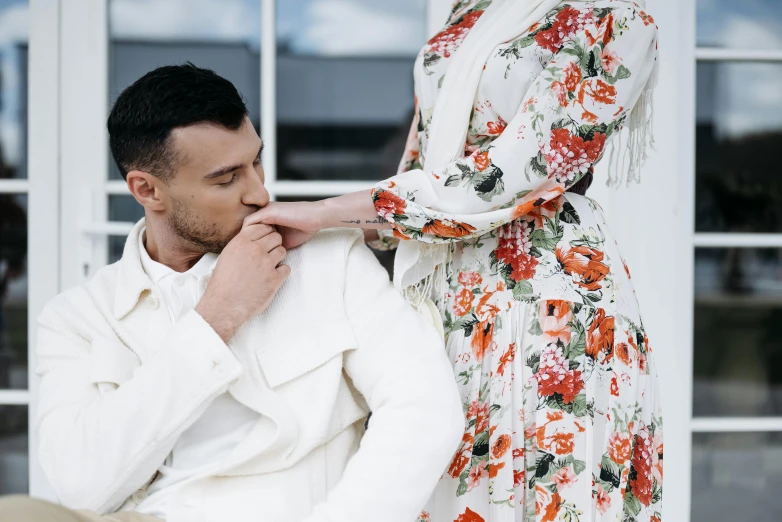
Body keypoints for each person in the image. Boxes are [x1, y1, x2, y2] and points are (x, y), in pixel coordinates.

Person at [243, 1, 663, 521]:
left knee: (539, 481)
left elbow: (516, 170)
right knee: (439, 463)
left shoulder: (613, 19)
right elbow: (423, 168)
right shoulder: (471, 9)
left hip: (541, 291)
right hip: (445, 289)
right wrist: (338, 227)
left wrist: (326, 212)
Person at [0, 63, 465, 522]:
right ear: (146, 189)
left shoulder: (328, 261)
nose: (259, 193)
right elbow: (82, 485)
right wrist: (215, 317)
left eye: (256, 161)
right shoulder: (78, 317)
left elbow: (423, 410)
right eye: (225, 179)